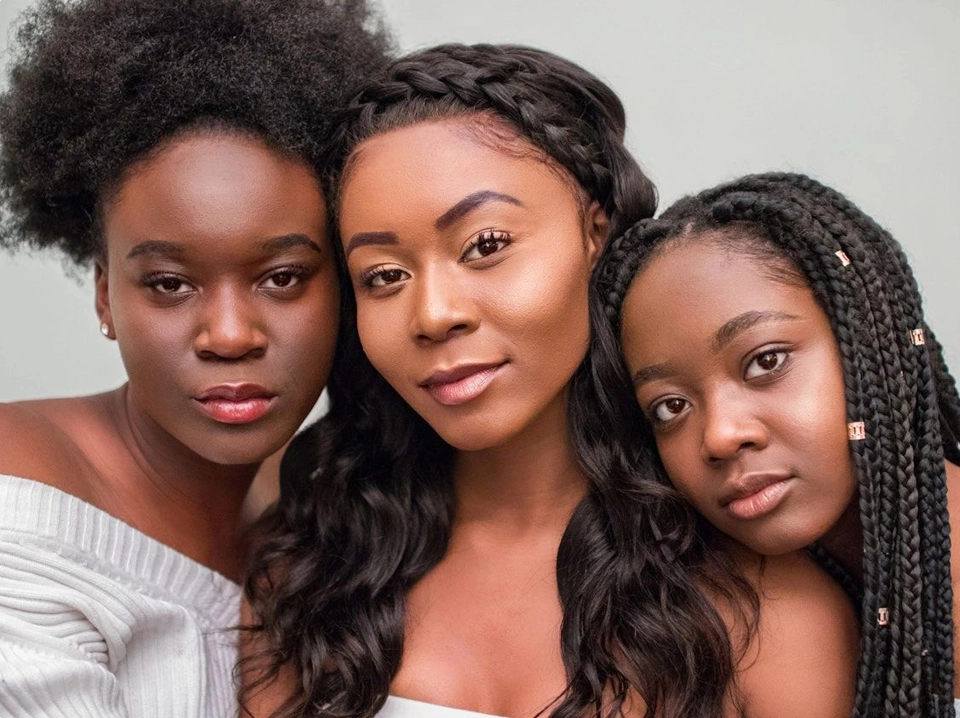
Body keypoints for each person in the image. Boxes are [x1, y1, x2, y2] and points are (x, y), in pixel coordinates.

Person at [243, 46, 858, 718]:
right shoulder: (311, 566)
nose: (434, 315)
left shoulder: (766, 615)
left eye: (485, 245)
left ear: (593, 229)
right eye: (385, 276)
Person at [0, 0, 388, 715]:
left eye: (283, 277)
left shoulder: (330, 507)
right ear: (105, 297)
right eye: (170, 284)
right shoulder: (21, 526)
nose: (231, 334)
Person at [593, 171, 960, 717]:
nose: (719, 436)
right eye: (670, 406)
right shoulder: (736, 610)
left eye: (766, 362)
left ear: (869, 345)